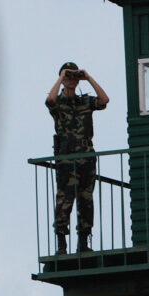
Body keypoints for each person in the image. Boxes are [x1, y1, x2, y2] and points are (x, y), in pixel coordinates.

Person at [46, 62, 110, 255]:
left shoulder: (85, 102)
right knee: (64, 200)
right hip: (66, 159)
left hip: (86, 158)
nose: (71, 80)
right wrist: (61, 77)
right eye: (68, 77)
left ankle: (83, 242)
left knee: (86, 200)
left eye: (74, 77)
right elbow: (50, 100)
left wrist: (88, 77)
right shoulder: (59, 103)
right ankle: (61, 244)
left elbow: (105, 99)